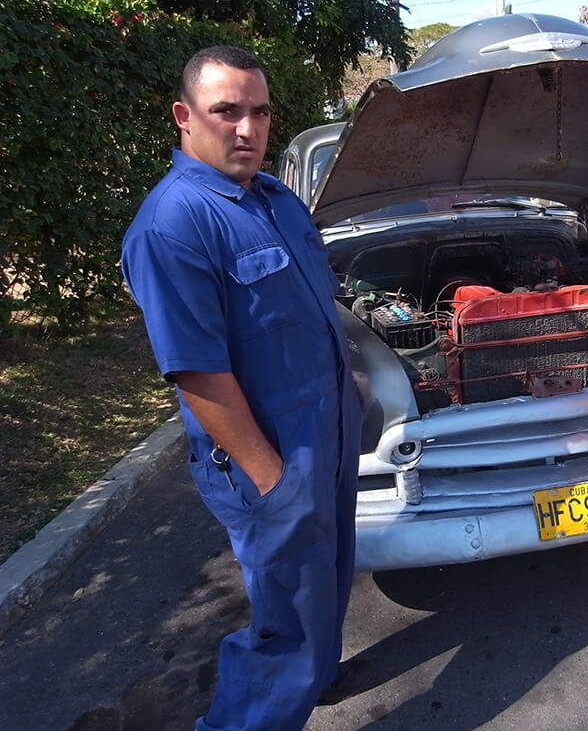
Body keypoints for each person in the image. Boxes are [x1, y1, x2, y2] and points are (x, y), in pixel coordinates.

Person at [121, 45, 362, 729]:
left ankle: (315, 675)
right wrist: (271, 477)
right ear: (184, 116)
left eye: (258, 111)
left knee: (329, 575)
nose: (247, 129)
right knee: (286, 618)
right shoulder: (172, 224)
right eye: (226, 111)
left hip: (327, 434)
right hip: (268, 453)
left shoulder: (275, 199)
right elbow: (197, 372)